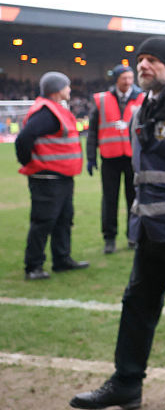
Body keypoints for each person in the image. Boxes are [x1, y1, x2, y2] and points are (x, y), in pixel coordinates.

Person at [70, 37, 165, 410]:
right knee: (135, 306)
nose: (143, 66)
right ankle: (127, 382)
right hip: (150, 229)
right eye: (140, 60)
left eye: (152, 60)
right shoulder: (143, 110)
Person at [16, 71, 90, 280]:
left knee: (64, 220)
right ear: (57, 90)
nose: (70, 89)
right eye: (67, 86)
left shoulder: (55, 110)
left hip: (61, 177)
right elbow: (25, 138)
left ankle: (62, 259)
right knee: (44, 221)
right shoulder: (47, 113)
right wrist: (29, 162)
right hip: (48, 177)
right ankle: (33, 266)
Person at [86, 64, 144, 253]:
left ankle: (132, 236)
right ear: (116, 80)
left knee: (133, 199)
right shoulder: (101, 99)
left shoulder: (142, 98)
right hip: (109, 157)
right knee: (109, 200)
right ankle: (109, 238)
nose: (127, 82)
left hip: (132, 158)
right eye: (124, 78)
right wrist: (91, 156)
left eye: (130, 78)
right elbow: (92, 131)